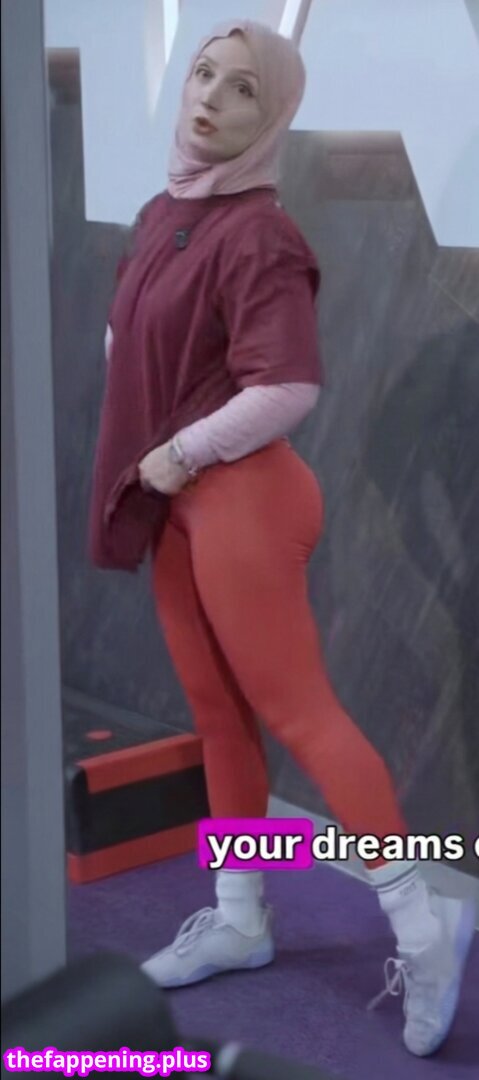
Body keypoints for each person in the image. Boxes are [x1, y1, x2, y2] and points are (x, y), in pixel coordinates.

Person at [88, 19, 475, 1059]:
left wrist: (179, 452)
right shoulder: (163, 213)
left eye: (243, 90)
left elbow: (288, 384)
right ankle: (240, 915)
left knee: (299, 714)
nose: (211, 97)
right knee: (218, 716)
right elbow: (136, 343)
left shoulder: (259, 234)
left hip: (239, 494)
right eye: (203, 73)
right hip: (179, 494)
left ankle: (422, 927)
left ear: (275, 118)